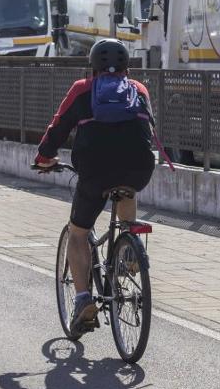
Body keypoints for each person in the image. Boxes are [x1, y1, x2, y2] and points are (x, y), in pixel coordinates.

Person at [34, 38, 155, 338]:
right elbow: (149, 129)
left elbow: (58, 127)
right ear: (127, 66)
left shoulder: (81, 89)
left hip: (96, 171)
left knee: (78, 234)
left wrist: (43, 157)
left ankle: (84, 301)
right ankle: (129, 251)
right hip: (138, 167)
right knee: (127, 188)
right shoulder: (138, 89)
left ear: (92, 66)